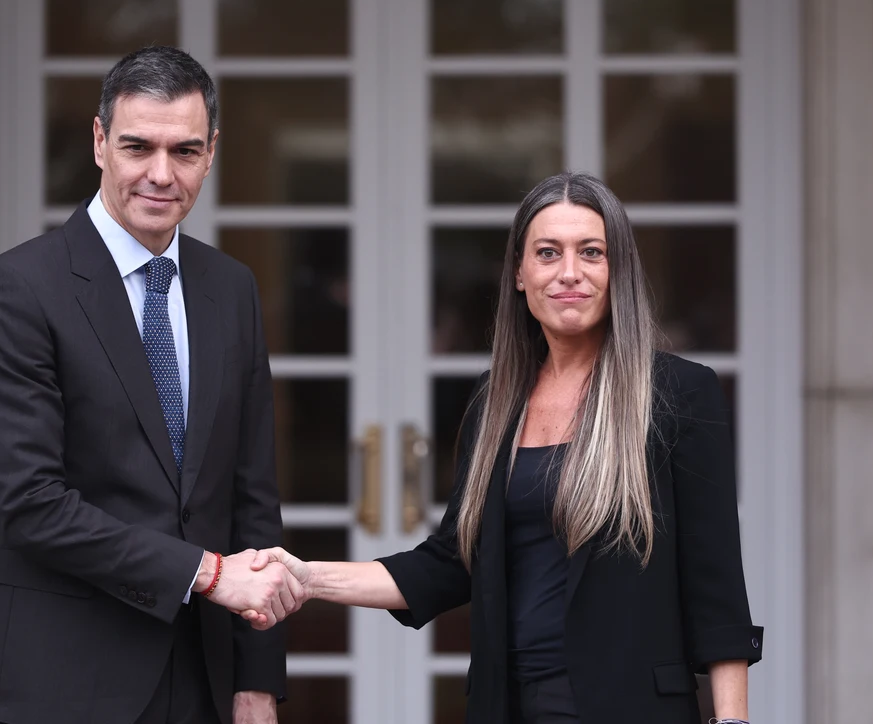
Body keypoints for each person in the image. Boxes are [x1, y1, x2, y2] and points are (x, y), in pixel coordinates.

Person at [248, 171, 762, 723]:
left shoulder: (679, 393)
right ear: (519, 273)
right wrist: (308, 577)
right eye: (548, 253)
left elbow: (716, 586)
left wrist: (731, 721)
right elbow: (451, 563)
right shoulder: (495, 402)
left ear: (618, 271)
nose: (570, 272)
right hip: (509, 705)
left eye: (592, 252)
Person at [0, 46, 303, 724]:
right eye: (137, 146)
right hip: (64, 682)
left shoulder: (230, 289)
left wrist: (256, 679)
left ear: (211, 152)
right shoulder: (17, 290)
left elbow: (251, 498)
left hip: (203, 681)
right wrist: (205, 573)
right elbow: (31, 505)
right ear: (99, 142)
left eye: (184, 151)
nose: (159, 174)